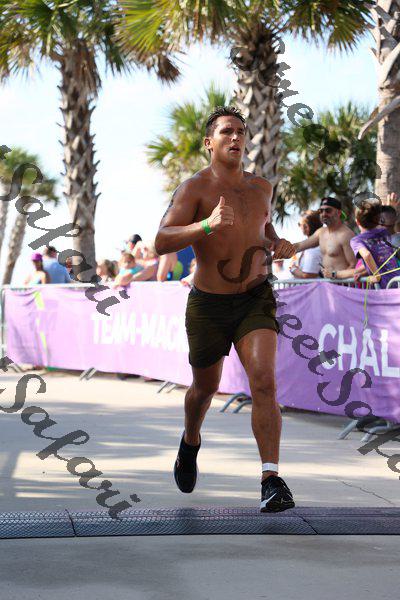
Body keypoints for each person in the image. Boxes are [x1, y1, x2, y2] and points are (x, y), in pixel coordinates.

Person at [154, 105, 296, 513]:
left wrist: (277, 243)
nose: (236, 138)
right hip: (209, 304)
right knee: (204, 389)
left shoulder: (262, 187)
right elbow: (161, 240)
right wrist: (206, 225)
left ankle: (271, 479)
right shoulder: (194, 189)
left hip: (255, 296)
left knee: (264, 381)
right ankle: (190, 441)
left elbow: (263, 229)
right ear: (209, 142)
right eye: (226, 132)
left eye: (241, 132)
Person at [293, 198, 357, 280]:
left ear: (338, 213)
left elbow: (354, 265)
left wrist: (336, 277)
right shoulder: (321, 232)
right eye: (321, 211)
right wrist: (280, 248)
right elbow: (300, 246)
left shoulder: (346, 235)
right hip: (328, 285)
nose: (324, 214)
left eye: (328, 211)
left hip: (343, 285)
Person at [350, 200, 400, 289]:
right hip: (397, 281)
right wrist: (363, 273)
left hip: (384, 286)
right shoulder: (384, 231)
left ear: (357, 222)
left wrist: (376, 276)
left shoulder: (357, 240)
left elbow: (367, 255)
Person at [289, 210, 322, 279]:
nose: (299, 227)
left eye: (299, 224)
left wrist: (293, 269)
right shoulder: (310, 245)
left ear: (306, 227)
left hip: (312, 285)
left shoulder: (314, 248)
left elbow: (308, 275)